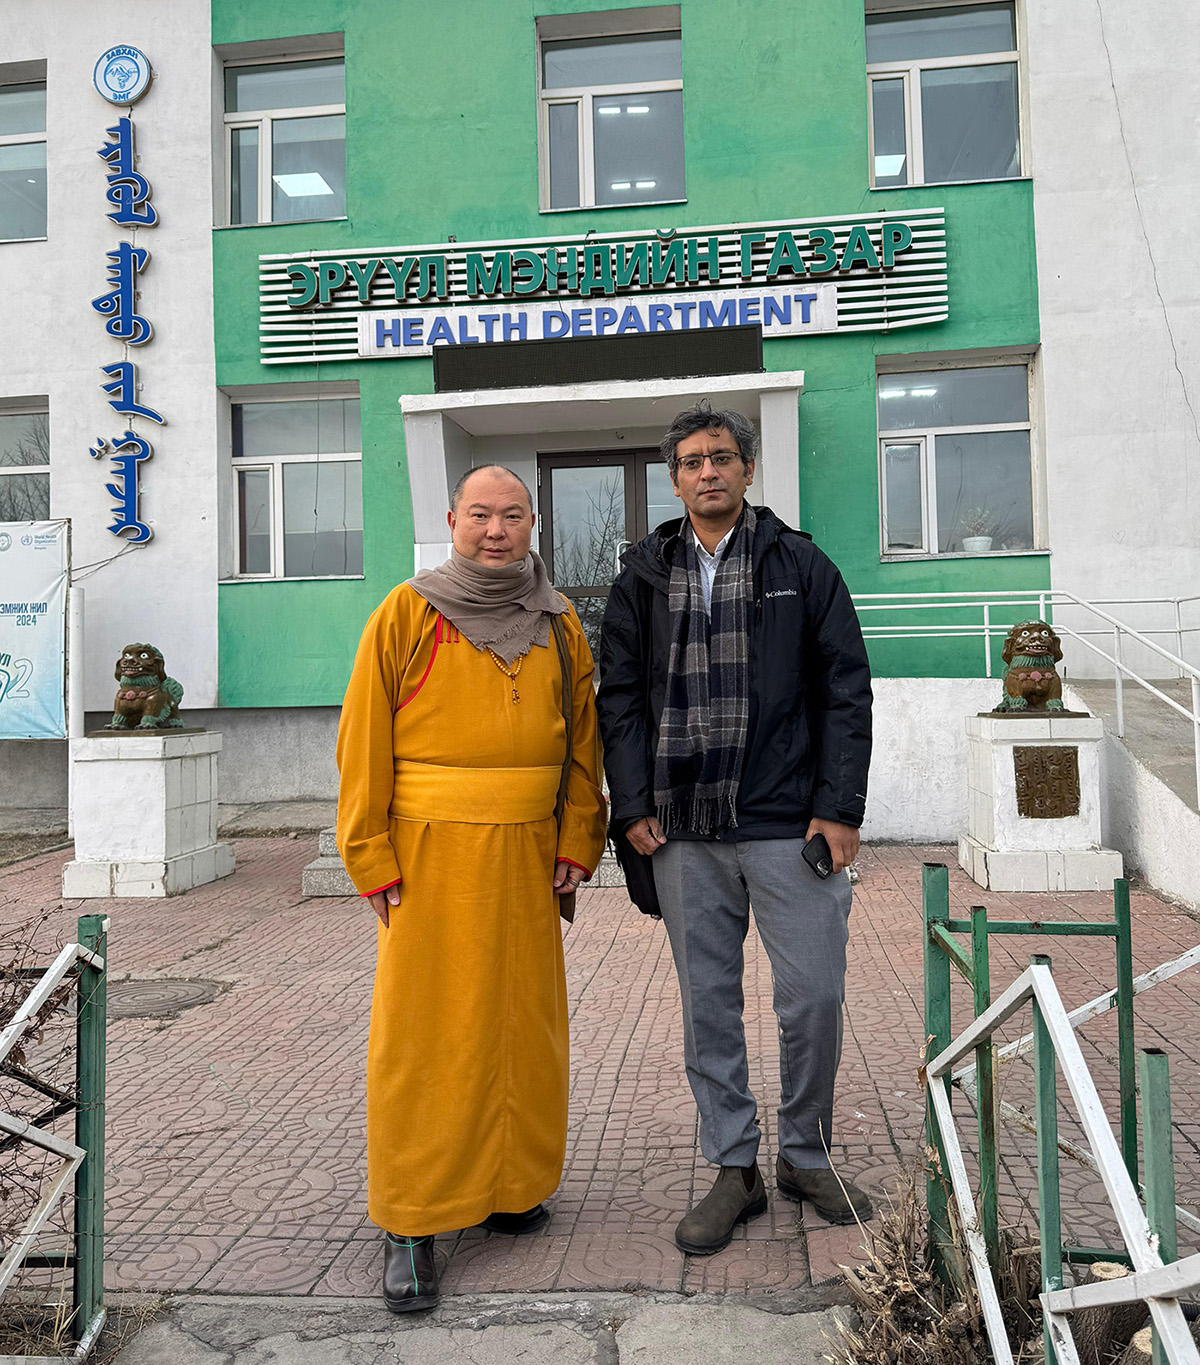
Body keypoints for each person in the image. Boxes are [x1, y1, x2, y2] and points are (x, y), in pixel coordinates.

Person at [596, 402, 874, 1256]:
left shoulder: (800, 564)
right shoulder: (641, 577)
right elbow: (619, 700)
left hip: (788, 822)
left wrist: (840, 807)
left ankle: (804, 1151)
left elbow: (845, 689)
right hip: (683, 828)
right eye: (690, 461)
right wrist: (634, 804)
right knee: (707, 1006)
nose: (707, 471)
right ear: (672, 479)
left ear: (748, 469)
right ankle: (734, 1167)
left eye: (722, 457)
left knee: (814, 996)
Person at [336, 465, 607, 1311]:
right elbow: (361, 738)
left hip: (528, 852)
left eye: (512, 515)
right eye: (480, 515)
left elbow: (585, 744)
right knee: (428, 1035)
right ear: (451, 519)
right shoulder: (406, 612)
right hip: (429, 855)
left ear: (534, 522)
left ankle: (508, 1184)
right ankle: (412, 1221)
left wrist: (576, 838)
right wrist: (368, 854)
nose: (496, 530)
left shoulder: (561, 624)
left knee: (522, 1023)